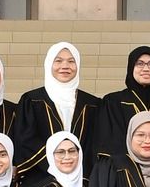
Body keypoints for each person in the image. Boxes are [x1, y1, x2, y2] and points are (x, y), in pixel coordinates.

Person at [15, 40, 104, 172]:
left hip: (83, 176)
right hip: (42, 175)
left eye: (71, 61)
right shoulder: (32, 100)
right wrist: (56, 166)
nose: (65, 66)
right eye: (58, 61)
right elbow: (25, 140)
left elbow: (95, 143)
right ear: (48, 64)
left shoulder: (92, 104)